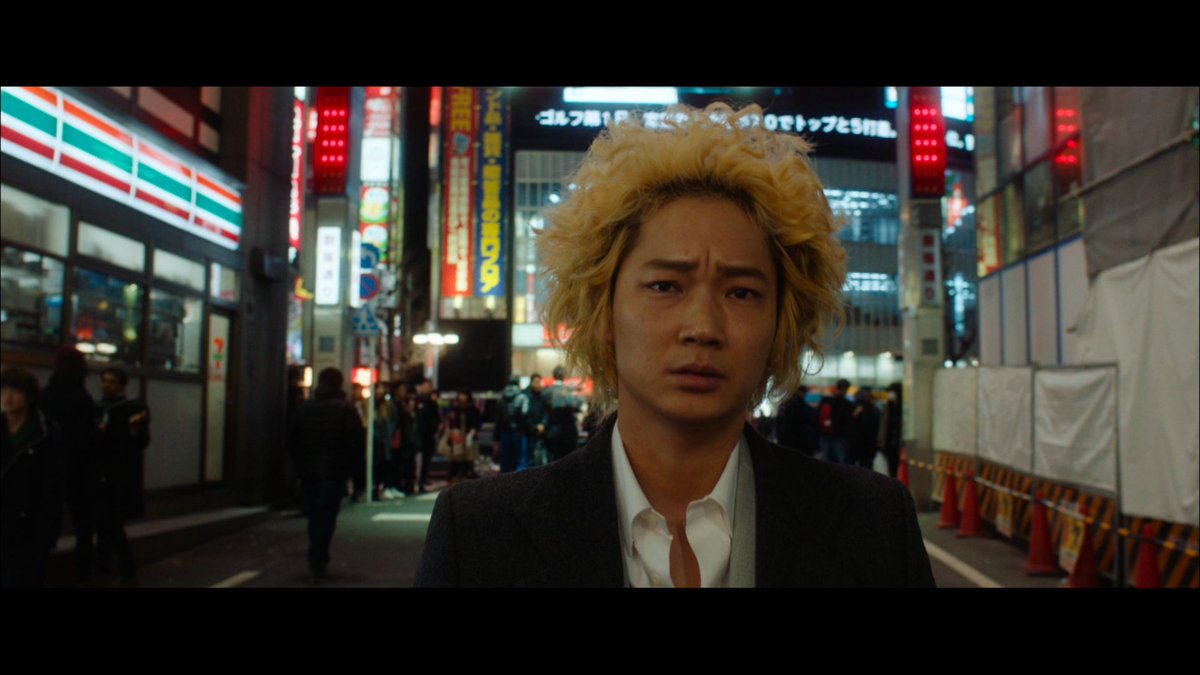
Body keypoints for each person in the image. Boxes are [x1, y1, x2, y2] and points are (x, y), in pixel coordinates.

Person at [415, 102, 934, 587]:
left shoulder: (874, 524)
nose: (702, 327)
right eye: (665, 286)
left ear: (782, 323)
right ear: (603, 310)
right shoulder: (478, 535)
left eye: (741, 292)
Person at [287, 368, 364, 581]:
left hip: (308, 471)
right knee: (327, 515)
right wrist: (358, 478)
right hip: (334, 471)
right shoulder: (345, 410)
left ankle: (316, 555)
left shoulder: (304, 409)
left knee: (313, 513)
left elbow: (292, 441)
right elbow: (356, 445)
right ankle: (318, 556)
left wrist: (299, 465)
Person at [39, 346, 98, 584]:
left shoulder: (45, 395)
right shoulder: (82, 398)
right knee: (83, 525)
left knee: (46, 521)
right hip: (77, 470)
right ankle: (84, 574)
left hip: (49, 468)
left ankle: (40, 571)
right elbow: (88, 440)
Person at [1, 367, 63, 588]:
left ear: (28, 397)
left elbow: (52, 485)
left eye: (15, 392)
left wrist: (48, 531)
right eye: (3, 391)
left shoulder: (44, 433)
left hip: (29, 526)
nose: (7, 398)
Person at [94, 365, 150, 586]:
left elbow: (140, 440)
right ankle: (112, 570)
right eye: (104, 381)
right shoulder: (98, 408)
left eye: (112, 382)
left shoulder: (131, 408)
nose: (106, 385)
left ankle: (119, 570)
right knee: (106, 524)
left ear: (121, 386)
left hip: (119, 476)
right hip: (101, 474)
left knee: (111, 523)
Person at [542, 366, 582, 462]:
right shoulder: (571, 392)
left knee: (554, 461)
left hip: (553, 430)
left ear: (554, 375)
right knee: (569, 461)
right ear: (564, 376)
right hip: (569, 430)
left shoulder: (547, 392)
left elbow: (544, 411)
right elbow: (578, 405)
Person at [414, 378, 442, 493]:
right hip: (418, 435)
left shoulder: (432, 402)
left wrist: (436, 430)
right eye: (425, 385)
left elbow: (436, 418)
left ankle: (422, 482)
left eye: (428, 386)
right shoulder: (417, 400)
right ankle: (417, 482)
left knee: (425, 461)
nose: (427, 388)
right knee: (418, 460)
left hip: (428, 436)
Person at [818, 379, 854, 464]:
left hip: (826, 433)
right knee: (841, 460)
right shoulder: (847, 404)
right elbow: (849, 421)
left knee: (825, 458)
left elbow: (817, 416)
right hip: (840, 435)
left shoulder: (826, 400)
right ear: (846, 389)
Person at [496, 375, 525, 473]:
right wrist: (522, 429)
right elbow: (524, 414)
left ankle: (505, 479)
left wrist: (496, 436)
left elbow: (498, 418)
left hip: (504, 431)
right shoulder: (522, 396)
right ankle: (520, 478)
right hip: (518, 432)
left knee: (505, 459)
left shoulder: (502, 397)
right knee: (520, 458)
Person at [519, 374, 548, 468]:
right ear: (531, 383)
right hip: (528, 432)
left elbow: (546, 412)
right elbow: (524, 415)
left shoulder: (542, 396)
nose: (539, 385)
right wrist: (534, 427)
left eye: (540, 382)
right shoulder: (525, 396)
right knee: (528, 459)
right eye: (537, 382)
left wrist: (543, 424)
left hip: (540, 432)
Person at [849, 386, 881, 470]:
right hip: (868, 443)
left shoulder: (857, 407)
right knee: (866, 465)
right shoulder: (874, 409)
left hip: (859, 442)